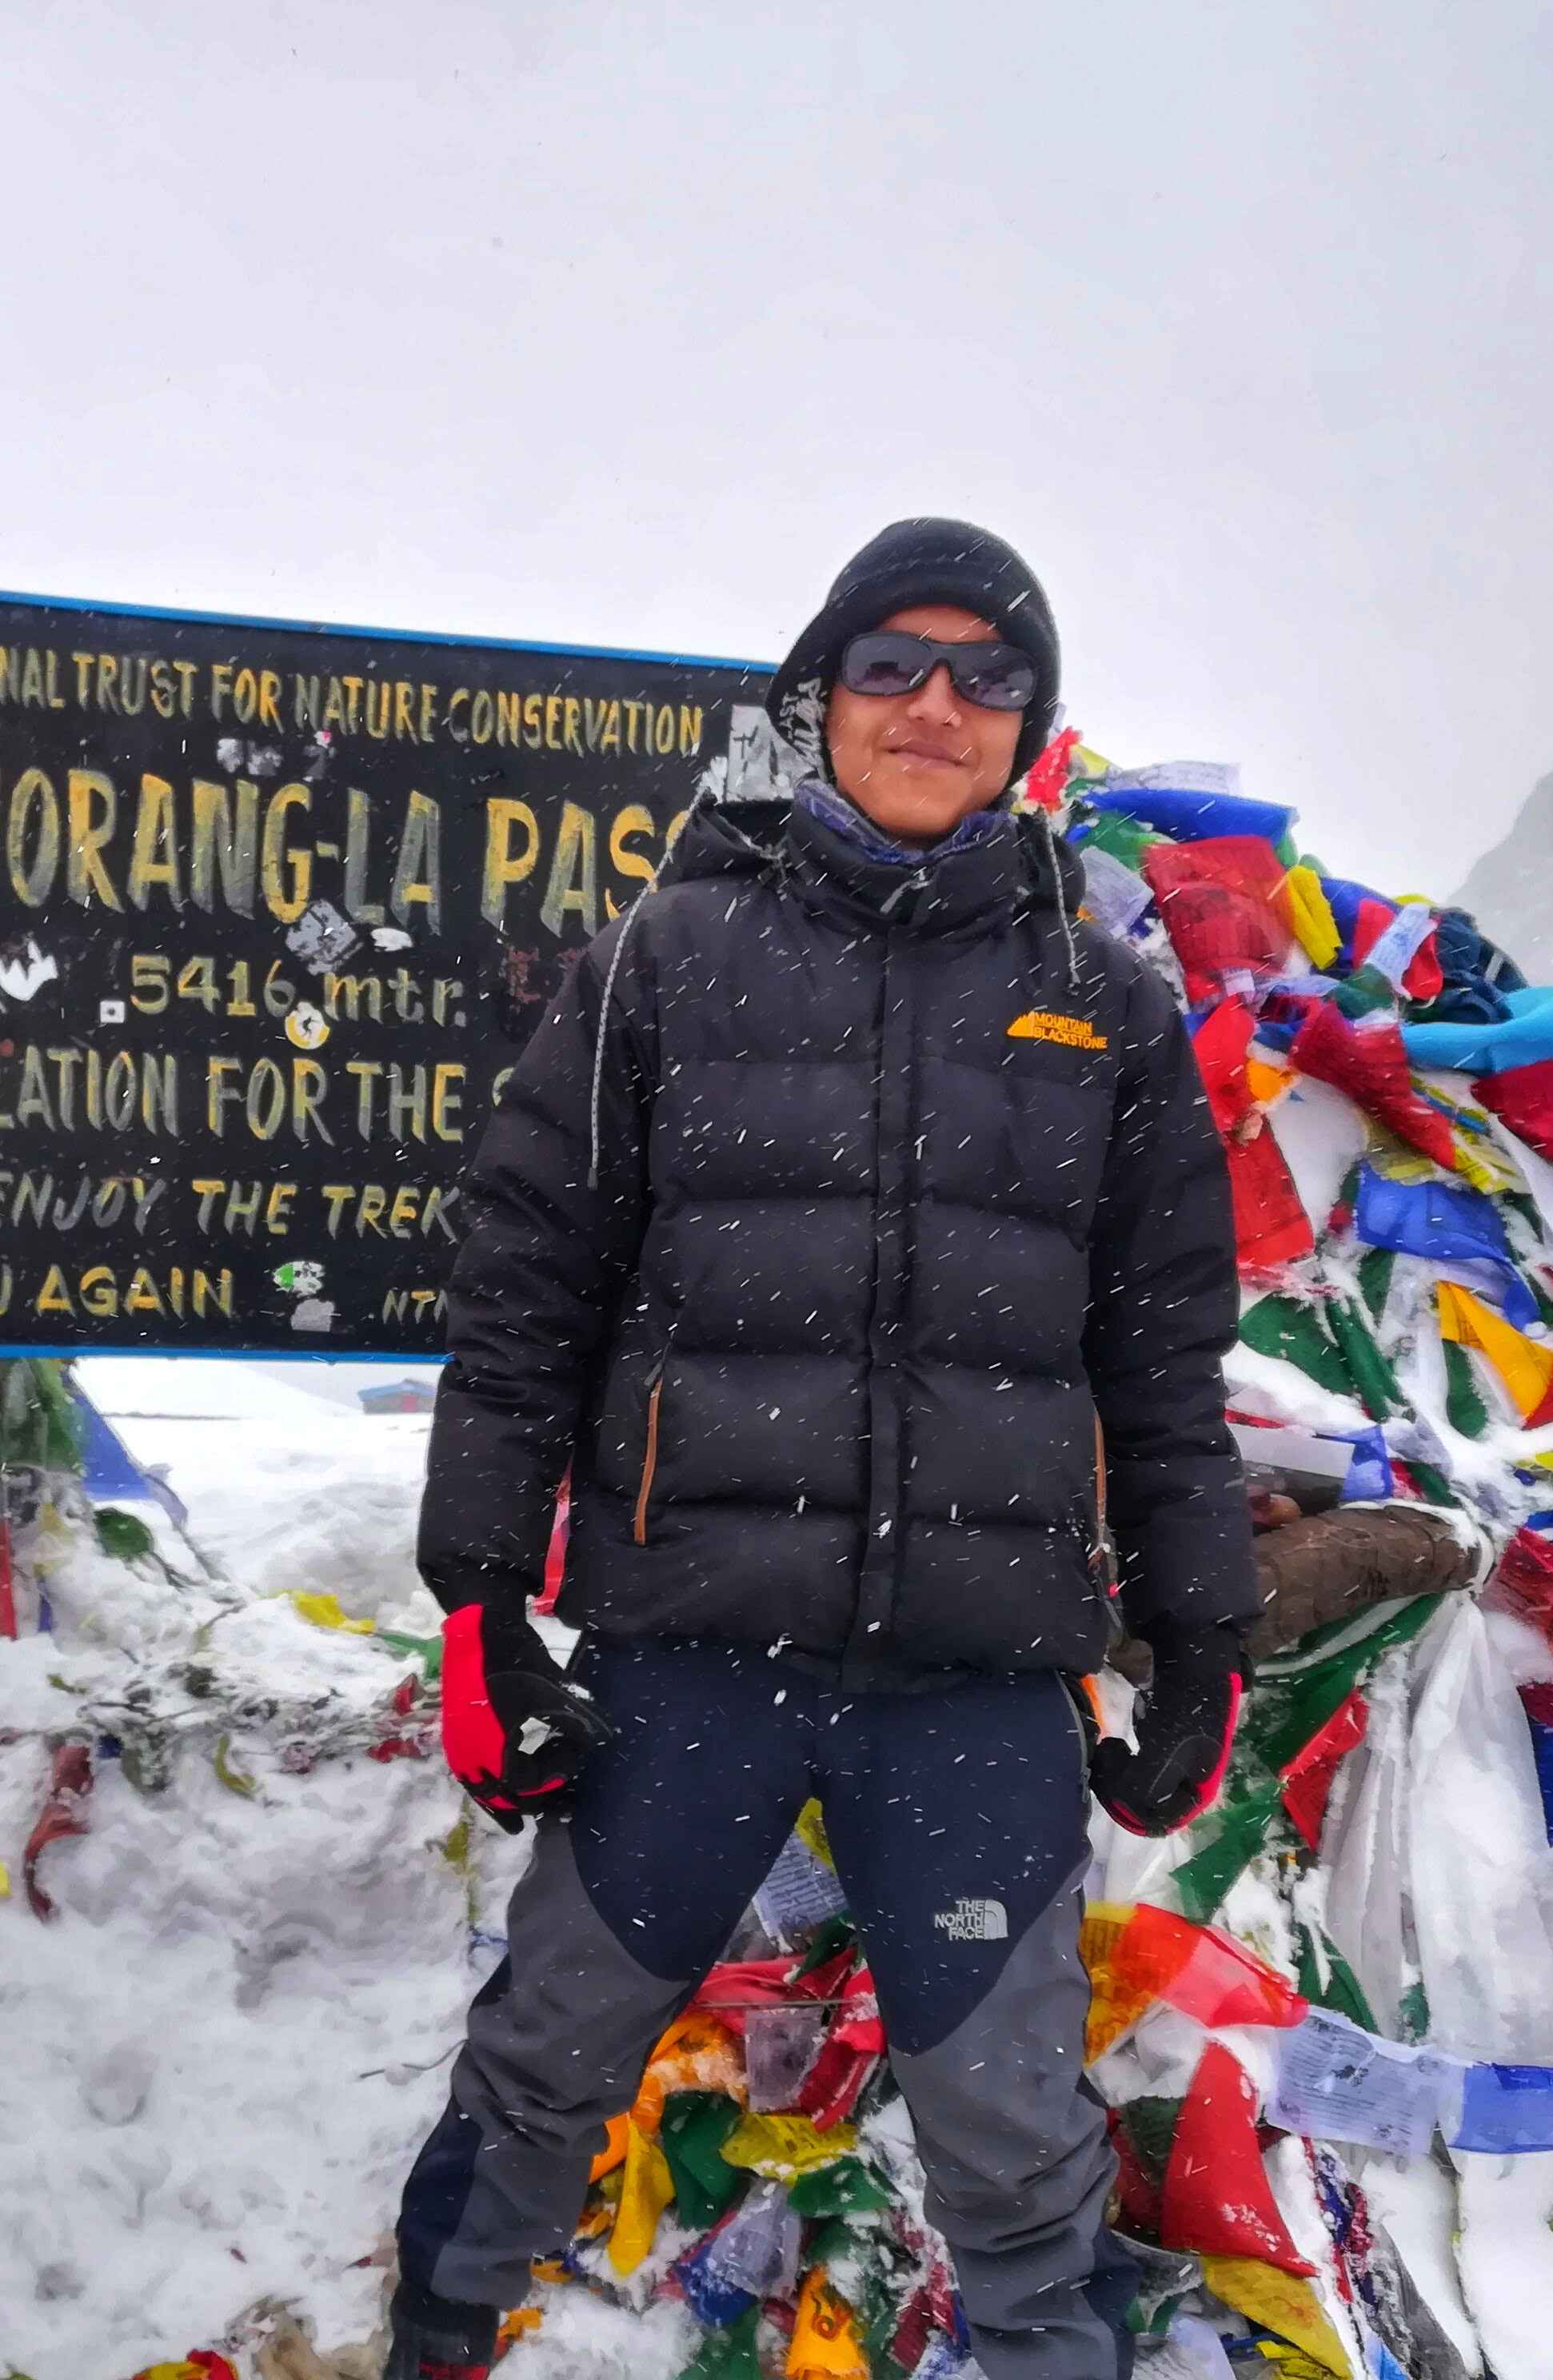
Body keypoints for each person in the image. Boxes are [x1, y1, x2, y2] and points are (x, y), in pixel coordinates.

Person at [387, 520, 1259, 2380]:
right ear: (820, 697)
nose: (935, 704)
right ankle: (436, 2341)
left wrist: (1203, 1634)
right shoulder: (665, 960)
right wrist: (478, 1602)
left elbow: (1164, 1360)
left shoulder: (1106, 1009)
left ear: (1028, 725)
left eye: (984, 674)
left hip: (977, 1681)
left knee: (1018, 2142)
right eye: (890, 665)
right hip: (690, 1649)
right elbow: (525, 1292)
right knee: (545, 2057)